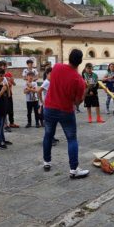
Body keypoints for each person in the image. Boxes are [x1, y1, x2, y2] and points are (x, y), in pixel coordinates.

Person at [42, 49, 89, 179]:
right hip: (65, 111)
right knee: (71, 139)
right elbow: (77, 103)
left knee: (48, 135)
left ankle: (47, 162)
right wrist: (85, 91)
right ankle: (73, 169)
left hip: (50, 107)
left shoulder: (57, 67)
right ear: (80, 61)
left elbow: (52, 79)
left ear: (69, 57)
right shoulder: (79, 80)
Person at [38, 67, 59, 145]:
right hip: (48, 106)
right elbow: (39, 91)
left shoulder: (51, 82)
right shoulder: (46, 82)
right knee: (49, 124)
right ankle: (49, 139)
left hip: (53, 105)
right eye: (51, 74)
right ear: (47, 74)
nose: (52, 75)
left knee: (52, 123)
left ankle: (52, 137)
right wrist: (42, 102)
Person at [0, 61, 20, 131]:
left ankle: (12, 122)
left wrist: (11, 80)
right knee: (4, 109)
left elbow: (14, 84)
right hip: (2, 94)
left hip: (9, 93)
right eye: (3, 66)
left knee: (11, 109)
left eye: (5, 66)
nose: (4, 67)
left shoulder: (9, 74)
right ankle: (4, 124)